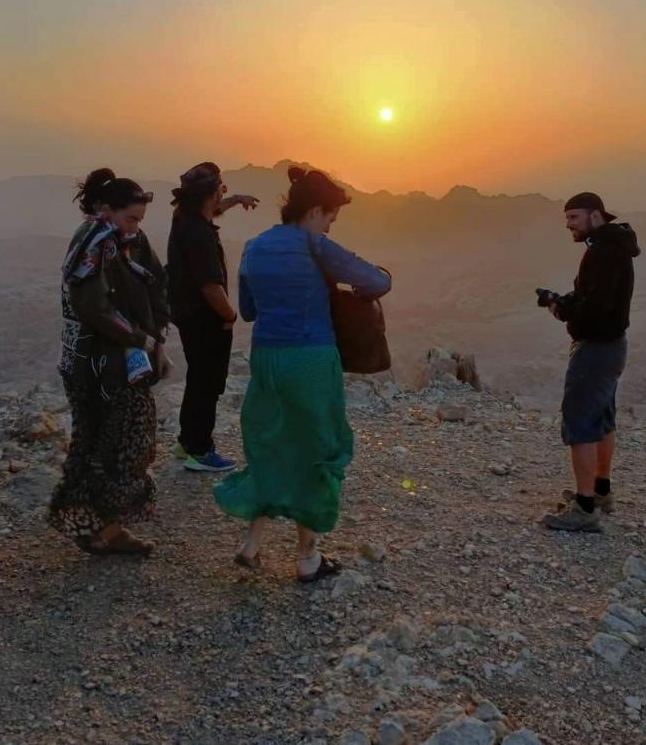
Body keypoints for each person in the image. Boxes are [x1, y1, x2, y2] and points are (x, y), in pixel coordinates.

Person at [213, 166, 391, 582]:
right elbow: (376, 282)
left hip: (267, 357)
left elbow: (251, 310)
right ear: (314, 210)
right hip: (310, 358)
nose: (330, 225)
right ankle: (308, 558)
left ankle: (252, 544)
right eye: (330, 217)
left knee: (271, 443)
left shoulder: (254, 247)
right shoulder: (316, 247)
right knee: (315, 449)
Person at [48, 174, 172, 556]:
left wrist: (156, 343)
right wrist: (141, 339)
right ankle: (106, 528)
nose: (137, 227)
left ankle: (99, 527)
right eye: (132, 218)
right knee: (120, 446)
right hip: (103, 367)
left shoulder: (121, 240)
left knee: (104, 445)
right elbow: (94, 307)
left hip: (112, 363)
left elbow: (152, 290)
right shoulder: (96, 242)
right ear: (107, 210)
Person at [540, 192, 640, 533]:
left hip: (595, 348)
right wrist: (564, 300)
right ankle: (600, 490)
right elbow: (593, 296)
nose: (569, 225)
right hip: (614, 346)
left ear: (595, 215)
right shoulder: (613, 247)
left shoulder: (602, 253)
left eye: (574, 218)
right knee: (602, 418)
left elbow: (592, 310)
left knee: (580, 422)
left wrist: (561, 311)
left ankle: (584, 509)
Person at [166, 162, 259, 472]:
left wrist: (234, 201)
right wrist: (231, 315)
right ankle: (201, 451)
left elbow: (212, 211)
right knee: (208, 384)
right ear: (209, 194)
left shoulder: (185, 218)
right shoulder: (200, 235)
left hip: (188, 315)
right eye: (223, 188)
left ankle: (187, 441)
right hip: (206, 320)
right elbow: (210, 287)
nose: (225, 192)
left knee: (197, 379)